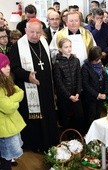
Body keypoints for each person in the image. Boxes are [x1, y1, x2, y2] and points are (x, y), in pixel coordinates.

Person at [9, 18, 58, 152]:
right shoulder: (17, 47)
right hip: (29, 88)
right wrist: (27, 76)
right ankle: (36, 144)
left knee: (47, 113)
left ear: (42, 31)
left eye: (38, 32)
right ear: (26, 30)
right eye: (32, 32)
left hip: (46, 87)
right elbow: (14, 67)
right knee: (35, 118)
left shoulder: (43, 41)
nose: (35, 35)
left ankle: (50, 140)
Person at [53, 38, 85, 134]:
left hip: (76, 94)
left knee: (79, 115)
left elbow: (79, 77)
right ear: (60, 49)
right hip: (64, 96)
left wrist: (78, 93)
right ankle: (67, 137)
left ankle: (78, 136)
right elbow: (58, 82)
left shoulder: (76, 60)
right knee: (66, 117)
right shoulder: (57, 63)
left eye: (70, 46)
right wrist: (69, 96)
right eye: (66, 47)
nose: (69, 49)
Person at [0, 53, 26, 170]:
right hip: (4, 127)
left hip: (9, 124)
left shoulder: (7, 80)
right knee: (5, 157)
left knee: (6, 157)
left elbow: (20, 92)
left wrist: (11, 101)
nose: (8, 68)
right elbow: (8, 107)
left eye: (8, 65)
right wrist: (15, 103)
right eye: (4, 66)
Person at [81, 46, 108, 130]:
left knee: (98, 115)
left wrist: (105, 92)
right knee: (91, 117)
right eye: (97, 60)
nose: (99, 61)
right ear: (91, 58)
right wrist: (97, 94)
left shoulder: (100, 64)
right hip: (91, 98)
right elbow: (85, 84)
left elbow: (106, 79)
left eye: (100, 59)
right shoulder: (85, 67)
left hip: (100, 97)